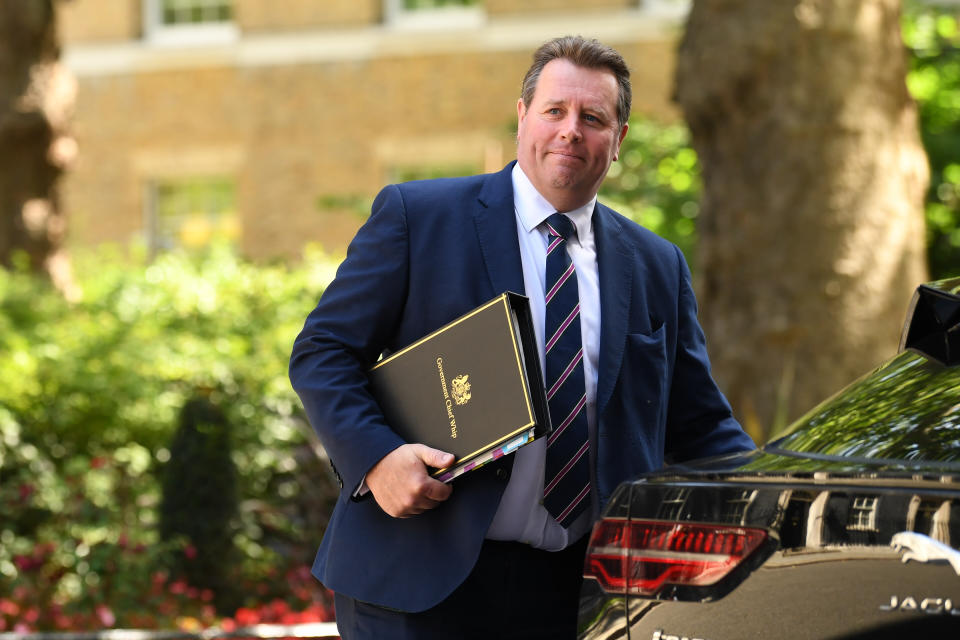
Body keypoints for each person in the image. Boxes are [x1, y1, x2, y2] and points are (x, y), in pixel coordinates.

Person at [289, 35, 755, 639]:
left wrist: (780, 495)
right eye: (555, 111)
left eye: (593, 118)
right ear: (522, 117)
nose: (571, 131)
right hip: (418, 578)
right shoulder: (418, 216)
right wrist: (377, 459)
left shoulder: (655, 265)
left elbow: (700, 425)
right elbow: (323, 351)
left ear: (618, 141)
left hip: (577, 592)